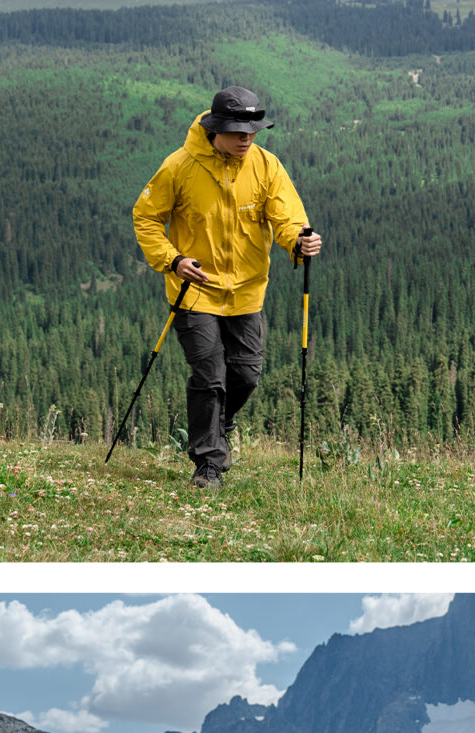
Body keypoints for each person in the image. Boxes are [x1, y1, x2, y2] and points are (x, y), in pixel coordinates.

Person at [130, 86, 323, 490]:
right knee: (210, 375)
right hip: (195, 291)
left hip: (247, 292)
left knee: (247, 375)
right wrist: (174, 261)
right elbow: (146, 217)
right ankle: (208, 465)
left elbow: (287, 217)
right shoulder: (179, 166)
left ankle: (217, 425)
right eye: (238, 131)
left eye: (252, 130)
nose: (246, 138)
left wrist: (298, 241)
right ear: (215, 129)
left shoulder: (267, 166)